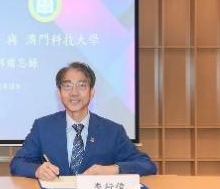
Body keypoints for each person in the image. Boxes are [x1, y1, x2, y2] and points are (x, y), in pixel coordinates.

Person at [10, 62, 156, 179]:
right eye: (67, 86)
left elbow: (147, 165)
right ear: (59, 93)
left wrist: (112, 170)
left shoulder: (113, 131)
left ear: (92, 92)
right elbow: (17, 163)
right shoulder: (43, 127)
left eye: (81, 86)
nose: (74, 93)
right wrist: (37, 170)